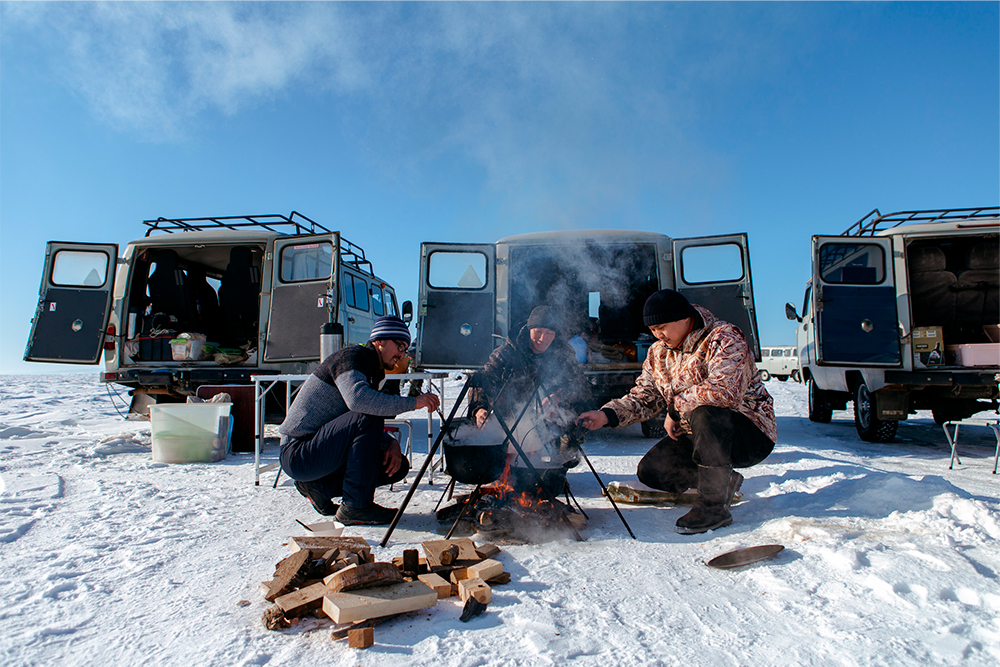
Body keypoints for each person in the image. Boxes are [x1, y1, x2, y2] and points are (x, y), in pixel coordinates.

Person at [578, 289, 776, 535]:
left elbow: (725, 391)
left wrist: (674, 407)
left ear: (684, 318)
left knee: (706, 411)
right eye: (652, 330)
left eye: (662, 327)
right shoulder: (658, 353)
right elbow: (645, 396)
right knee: (652, 471)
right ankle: (724, 481)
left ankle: (714, 508)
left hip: (749, 433)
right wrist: (606, 415)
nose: (658, 335)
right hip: (702, 436)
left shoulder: (724, 337)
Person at [278, 315, 441, 525]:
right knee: (366, 413)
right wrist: (413, 402)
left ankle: (319, 488)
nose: (401, 354)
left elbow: (359, 421)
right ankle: (356, 508)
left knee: (396, 466)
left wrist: (389, 442)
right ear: (380, 340)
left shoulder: (373, 370)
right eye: (400, 346)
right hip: (299, 452)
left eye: (405, 349)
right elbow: (359, 401)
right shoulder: (352, 358)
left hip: (320, 450)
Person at [468, 305, 591, 428]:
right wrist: (479, 409)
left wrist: (558, 396)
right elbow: (483, 383)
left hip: (551, 414)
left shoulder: (562, 353)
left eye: (549, 333)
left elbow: (579, 384)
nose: (543, 338)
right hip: (511, 414)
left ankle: (566, 442)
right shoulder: (506, 353)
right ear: (529, 330)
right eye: (538, 331)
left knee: (574, 408)